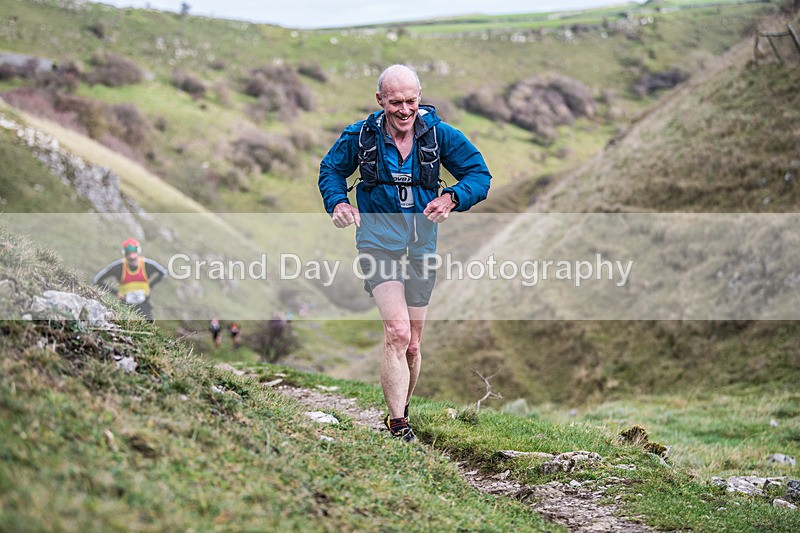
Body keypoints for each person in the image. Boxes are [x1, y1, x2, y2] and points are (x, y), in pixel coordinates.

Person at [318, 64, 491, 442]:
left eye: (411, 101)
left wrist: (452, 197)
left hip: (422, 247)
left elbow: (480, 175)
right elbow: (331, 169)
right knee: (396, 332)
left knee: (413, 343)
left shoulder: (440, 135)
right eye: (395, 102)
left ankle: (402, 410)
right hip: (377, 243)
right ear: (379, 100)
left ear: (420, 97)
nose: (404, 110)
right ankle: (399, 427)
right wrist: (338, 203)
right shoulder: (359, 137)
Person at [92, 238, 168, 322]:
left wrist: (150, 287)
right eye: (129, 256)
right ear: (125, 254)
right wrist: (115, 292)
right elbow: (97, 280)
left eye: (134, 255)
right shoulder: (118, 267)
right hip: (125, 304)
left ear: (138, 252)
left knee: (149, 325)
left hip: (143, 303)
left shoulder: (147, 265)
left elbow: (163, 273)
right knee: (123, 325)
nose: (132, 258)